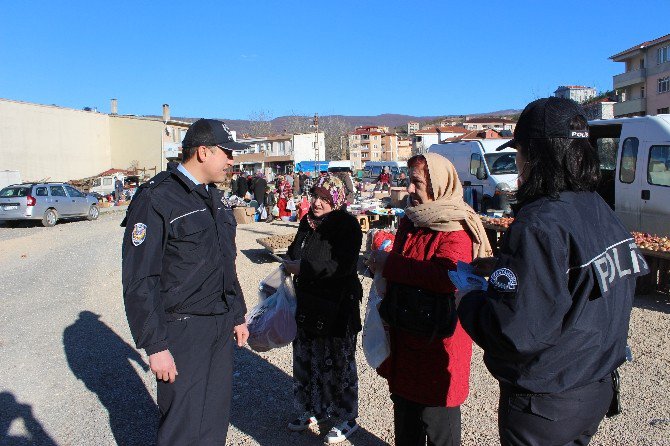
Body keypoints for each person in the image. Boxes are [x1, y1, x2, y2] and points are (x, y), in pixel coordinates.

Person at [457, 97, 649, 446]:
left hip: (546, 402)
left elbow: (515, 332)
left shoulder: (538, 224)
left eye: (519, 155)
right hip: (595, 386)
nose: (518, 166)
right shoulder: (598, 208)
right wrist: (507, 267)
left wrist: (467, 298)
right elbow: (572, 283)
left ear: (535, 154)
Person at [121, 118, 250, 445]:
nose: (231, 161)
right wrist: (155, 344)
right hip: (182, 329)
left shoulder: (213, 198)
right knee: (183, 421)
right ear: (204, 152)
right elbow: (140, 278)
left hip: (219, 326)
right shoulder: (157, 199)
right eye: (227, 153)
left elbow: (225, 263)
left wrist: (237, 314)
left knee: (213, 417)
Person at [367, 153, 492, 446]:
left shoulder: (457, 227)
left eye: (416, 182)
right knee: (406, 424)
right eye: (408, 181)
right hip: (404, 335)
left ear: (439, 185)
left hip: (438, 344)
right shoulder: (412, 221)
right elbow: (398, 261)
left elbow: (447, 276)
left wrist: (389, 264)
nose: (409, 189)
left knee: (439, 428)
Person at [283, 174, 363, 444]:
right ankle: (311, 409)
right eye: (316, 195)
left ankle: (346, 417)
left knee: (339, 362)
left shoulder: (347, 226)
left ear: (337, 199)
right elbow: (296, 249)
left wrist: (303, 268)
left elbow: (341, 267)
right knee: (307, 358)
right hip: (307, 304)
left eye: (325, 198)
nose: (318, 202)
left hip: (337, 306)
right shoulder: (308, 223)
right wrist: (290, 259)